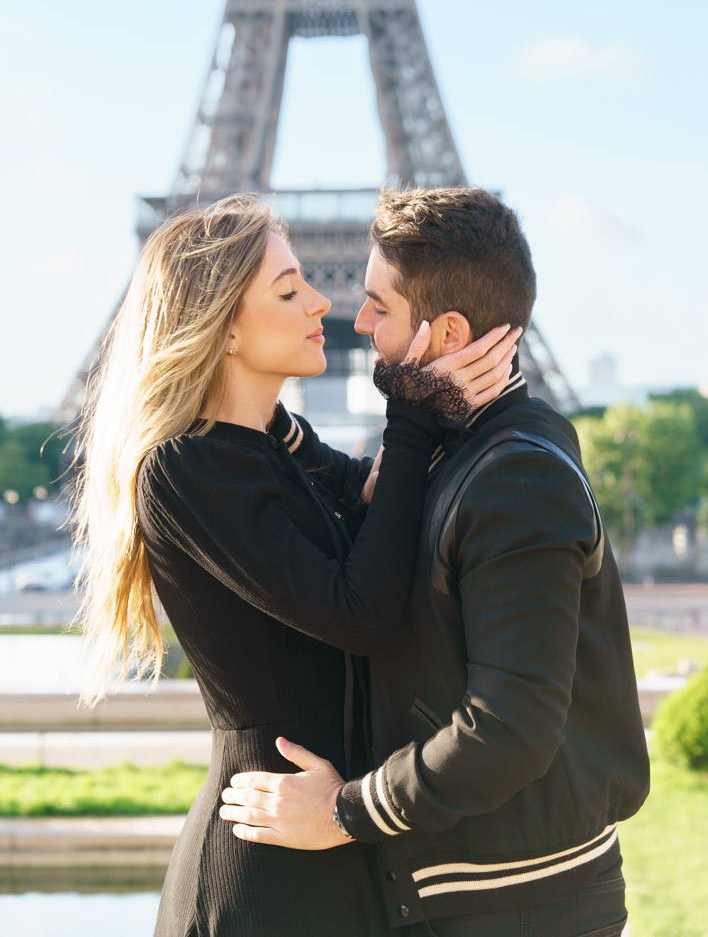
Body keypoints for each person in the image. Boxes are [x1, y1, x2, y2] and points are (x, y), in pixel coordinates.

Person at [72, 193, 520, 937]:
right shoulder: (186, 468)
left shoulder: (275, 447)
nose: (323, 301)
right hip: (269, 874)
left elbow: (372, 504)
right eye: (287, 291)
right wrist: (411, 412)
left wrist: (428, 415)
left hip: (329, 843)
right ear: (224, 331)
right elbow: (362, 613)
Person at [219, 187, 651, 937]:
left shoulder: (515, 478)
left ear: (447, 331)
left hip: (516, 906)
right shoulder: (467, 449)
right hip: (484, 889)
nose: (358, 322)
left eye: (379, 307)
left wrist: (345, 812)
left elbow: (509, 727)